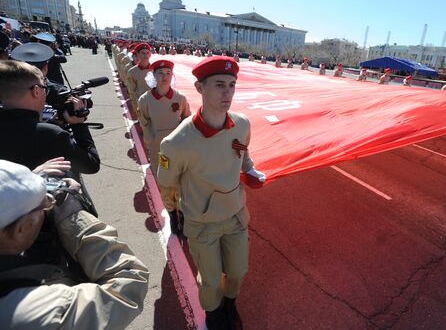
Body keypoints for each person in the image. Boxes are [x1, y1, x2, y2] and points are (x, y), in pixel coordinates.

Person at [157, 56, 266, 330]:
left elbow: (243, 153)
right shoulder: (178, 142)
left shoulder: (241, 124)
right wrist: (174, 212)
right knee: (210, 277)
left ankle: (230, 304)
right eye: (219, 85)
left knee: (238, 272)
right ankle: (214, 313)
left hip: (236, 214)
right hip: (202, 223)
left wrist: (251, 171)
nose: (227, 93)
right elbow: (167, 182)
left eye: (231, 85)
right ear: (199, 88)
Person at [0, 160, 149, 329]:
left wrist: (25, 183)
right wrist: (74, 217)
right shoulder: (43, 310)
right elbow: (129, 283)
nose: (50, 203)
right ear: (21, 229)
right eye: (46, 203)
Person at [0, 60, 100, 176]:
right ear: (36, 91)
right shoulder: (51, 134)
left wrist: (54, 122)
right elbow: (91, 165)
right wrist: (78, 125)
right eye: (45, 88)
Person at [138, 59, 191, 177]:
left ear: (172, 76)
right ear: (154, 76)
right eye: (160, 73)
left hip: (177, 145)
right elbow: (144, 122)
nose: (165, 76)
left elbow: (187, 119)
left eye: (168, 73)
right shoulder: (145, 100)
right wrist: (151, 141)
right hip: (158, 147)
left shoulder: (180, 97)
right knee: (162, 174)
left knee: (177, 174)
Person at [127, 43, 153, 115]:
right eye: (143, 53)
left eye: (148, 53)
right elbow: (132, 91)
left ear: (150, 54)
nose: (146, 55)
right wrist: (136, 108)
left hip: (154, 103)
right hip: (141, 103)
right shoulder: (132, 72)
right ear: (137, 55)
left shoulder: (155, 70)